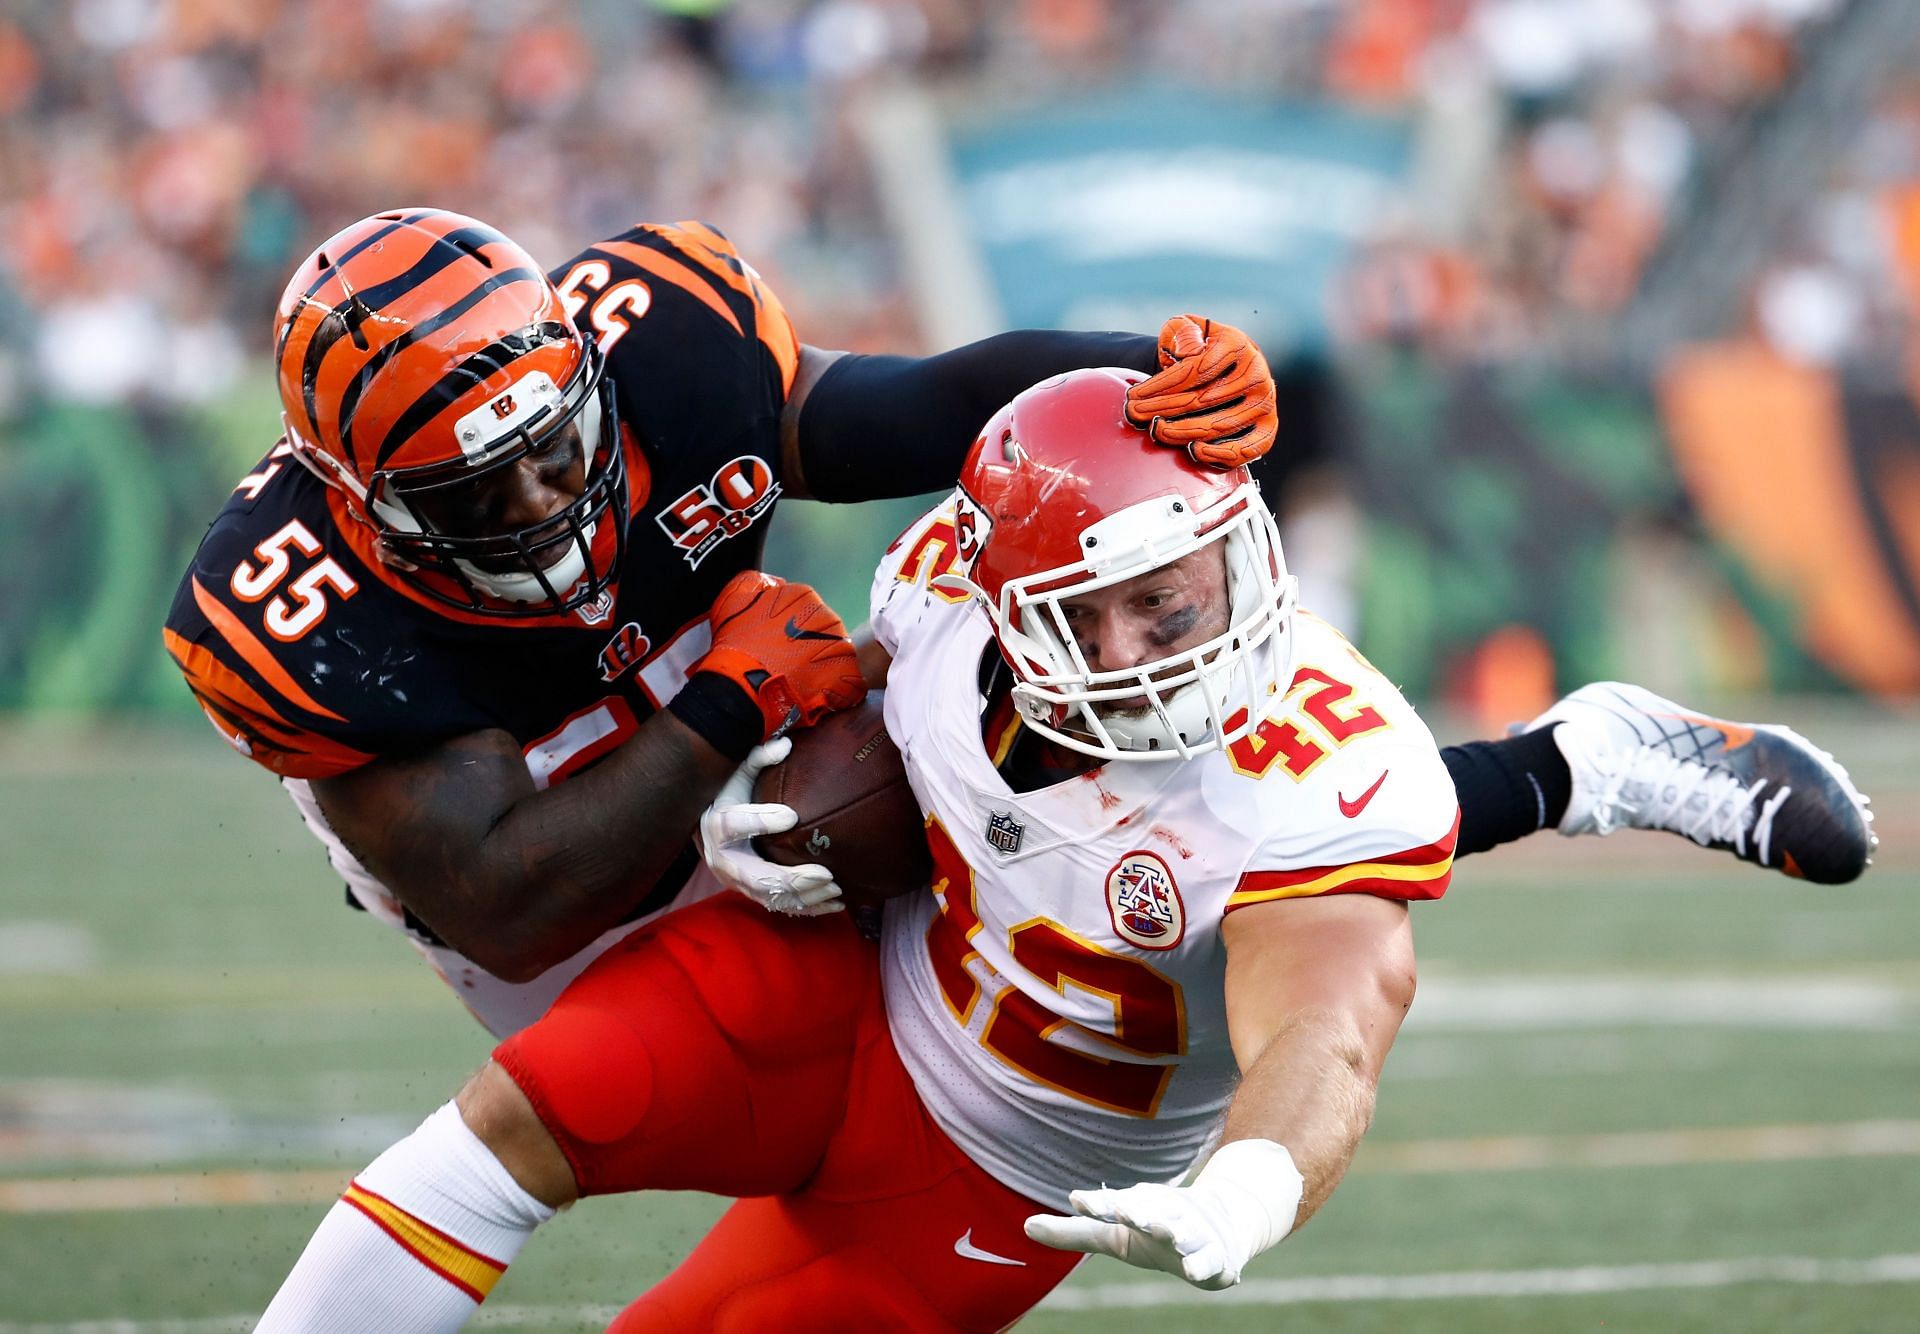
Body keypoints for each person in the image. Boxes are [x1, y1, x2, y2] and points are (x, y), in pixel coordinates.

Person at [253, 369, 1876, 1331]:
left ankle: (1585, 760)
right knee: (505, 1131)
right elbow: (894, 740)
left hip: (1002, 1162)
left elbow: (1330, 1023)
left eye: (1190, 584)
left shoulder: (1322, 764)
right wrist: (758, 794)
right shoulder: (940, 598)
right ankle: (1581, 757)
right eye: (1110, 608)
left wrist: (1252, 1179)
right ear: (999, 591)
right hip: (856, 980)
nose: (1175, 631)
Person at [165, 208, 1874, 1043]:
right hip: (552, 821)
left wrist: (1150, 380)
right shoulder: (296, 610)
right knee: (591, 1104)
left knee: (1113, 815)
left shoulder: (664, 348)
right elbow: (512, 901)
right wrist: (718, 710)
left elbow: (926, 408)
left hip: (757, 701)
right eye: (480, 494)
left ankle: (1577, 762)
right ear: (354, 491)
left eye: (556, 452)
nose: (542, 508)